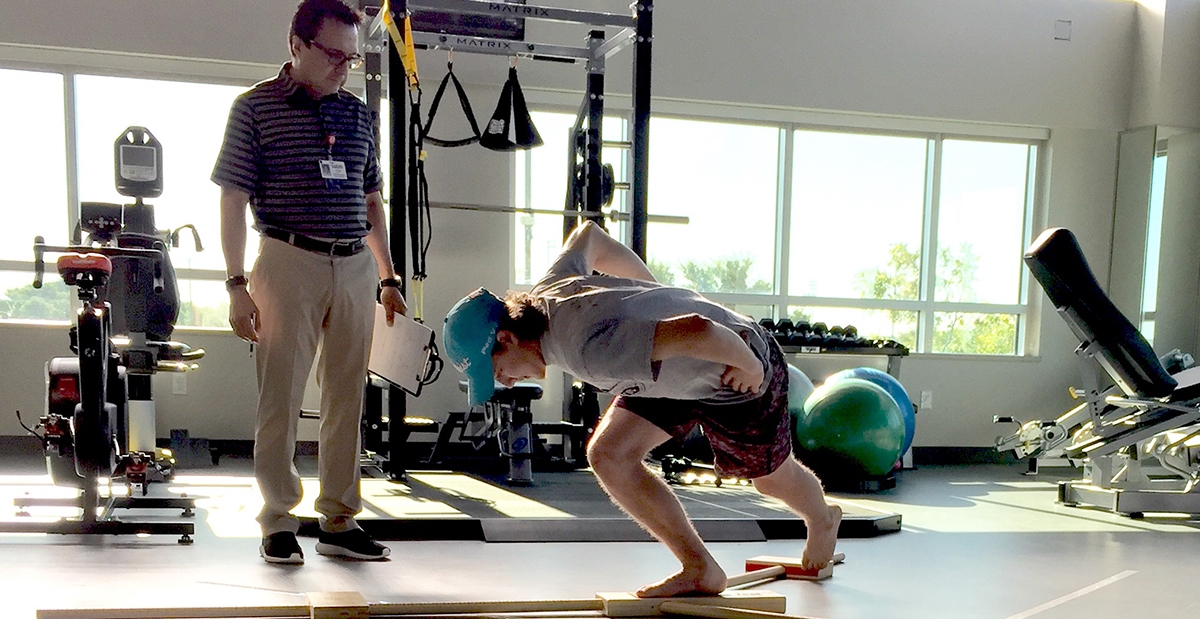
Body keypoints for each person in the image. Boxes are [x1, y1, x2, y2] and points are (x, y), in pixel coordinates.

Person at [442, 221, 842, 597]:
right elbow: (589, 236)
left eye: (496, 370)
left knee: (770, 479)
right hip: (671, 371)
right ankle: (700, 568)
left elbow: (700, 330)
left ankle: (822, 518)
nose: (507, 382)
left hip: (735, 367)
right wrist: (650, 296)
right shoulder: (550, 289)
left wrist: (751, 365)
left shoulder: (589, 351)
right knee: (609, 455)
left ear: (508, 339)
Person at [212, 0, 406, 565]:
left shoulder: (355, 113)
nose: (344, 67)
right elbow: (231, 197)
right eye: (333, 55)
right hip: (285, 258)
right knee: (282, 396)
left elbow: (371, 201)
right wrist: (235, 283)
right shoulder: (254, 109)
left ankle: (340, 520)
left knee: (348, 397)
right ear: (295, 45)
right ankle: (278, 520)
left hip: (353, 266)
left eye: (351, 58)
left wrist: (388, 276)